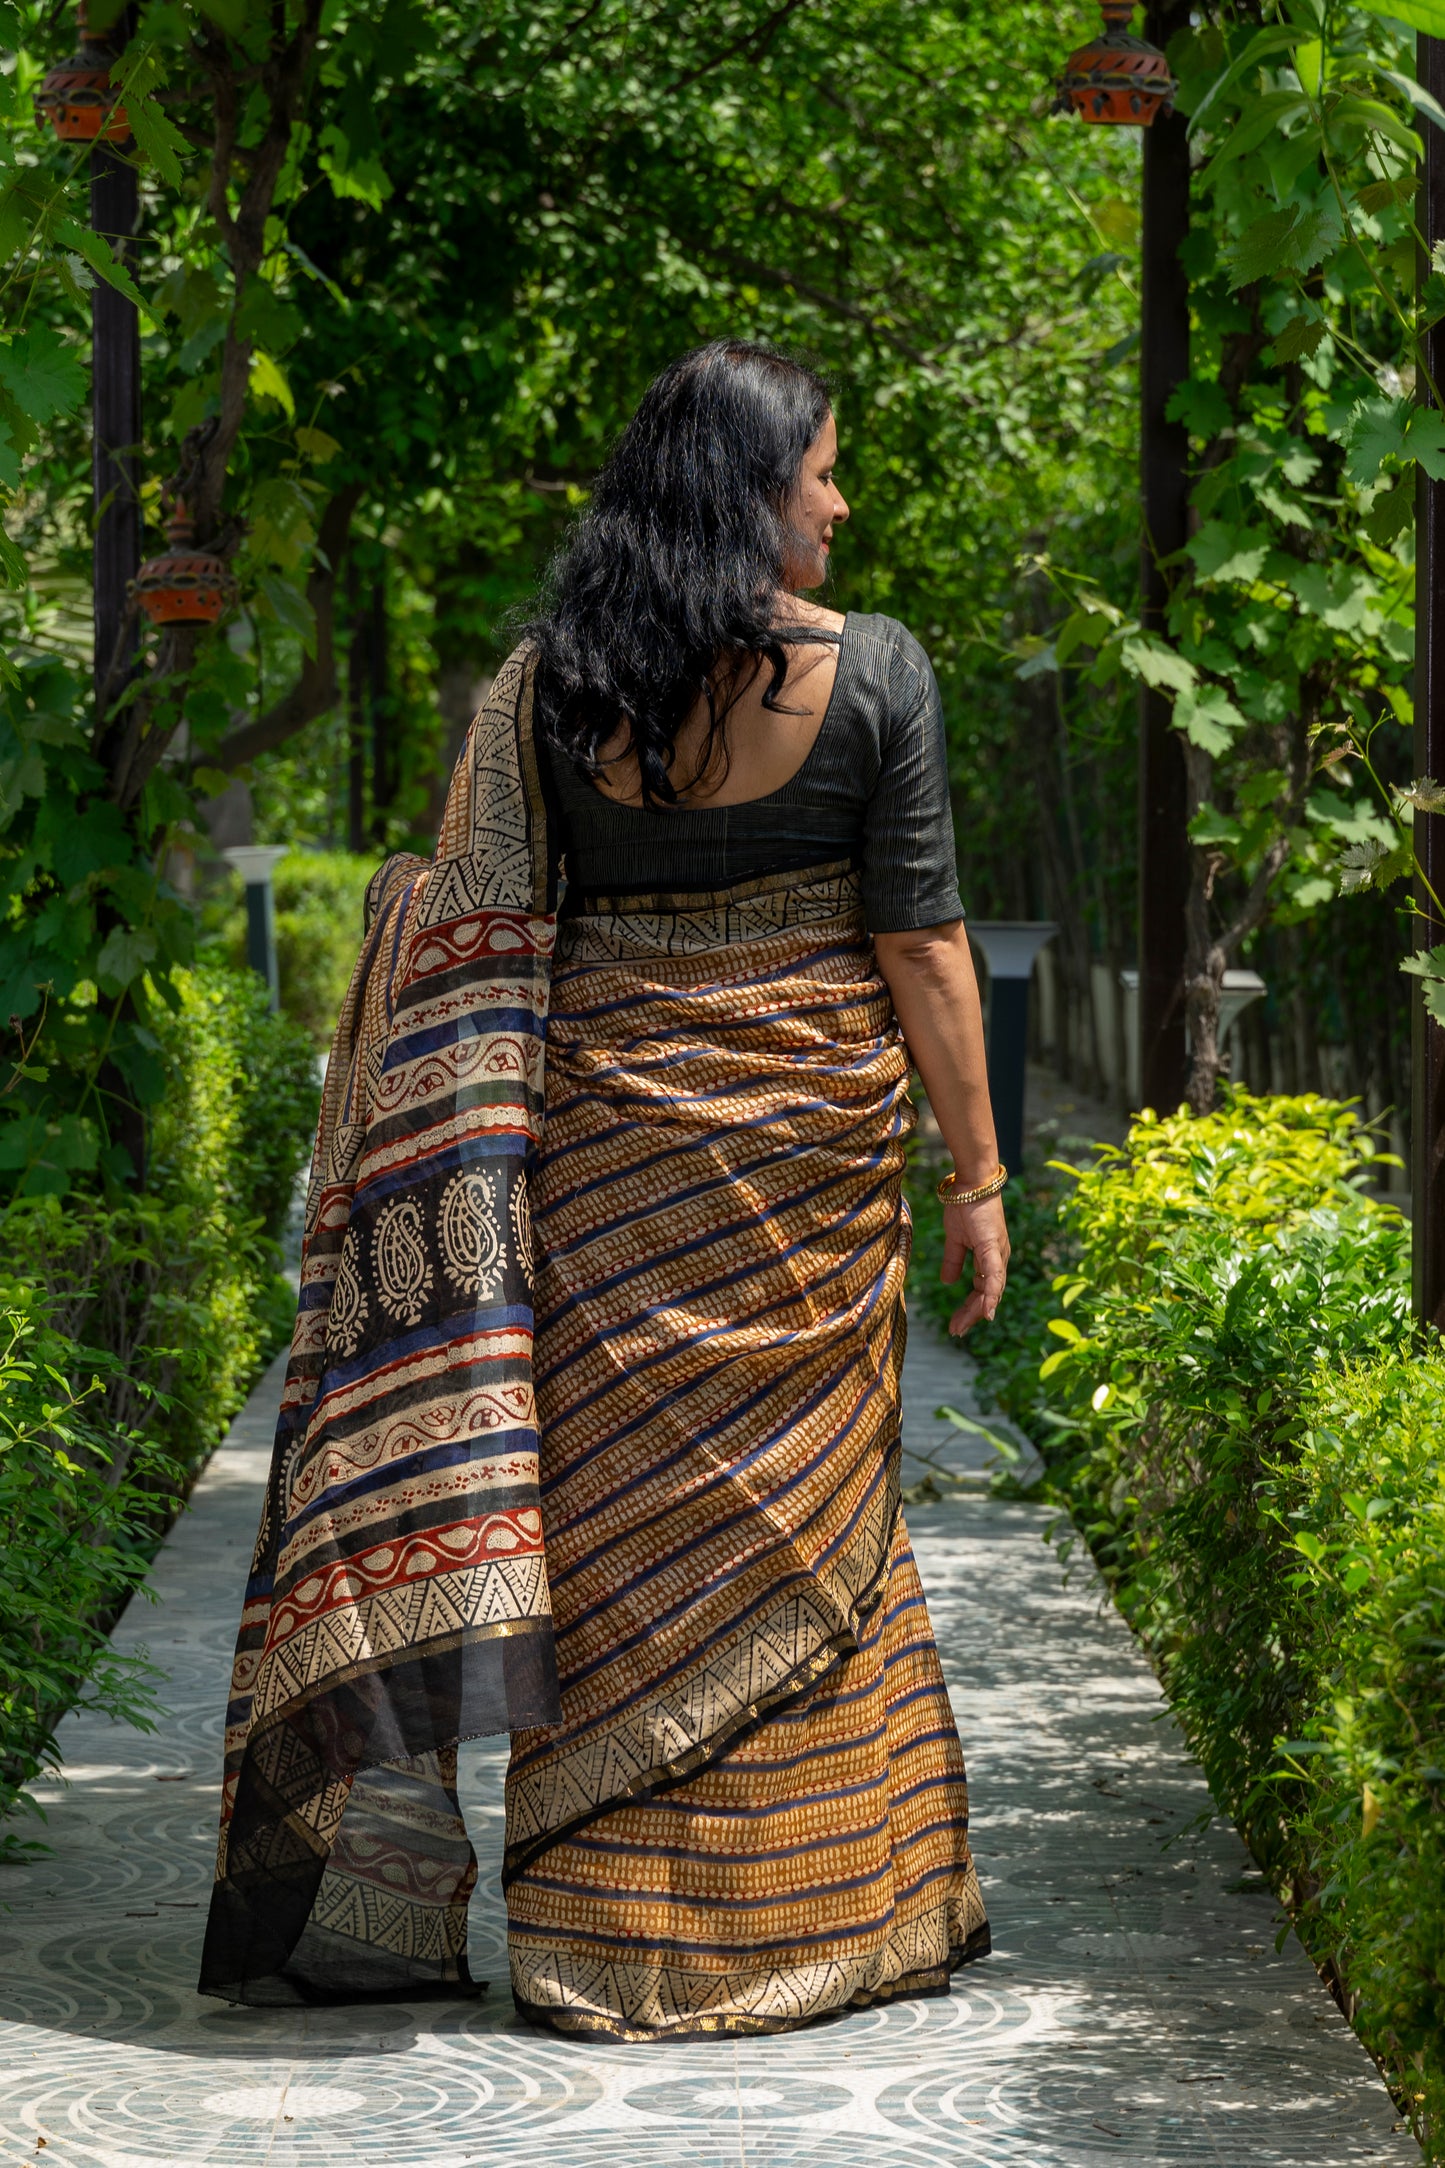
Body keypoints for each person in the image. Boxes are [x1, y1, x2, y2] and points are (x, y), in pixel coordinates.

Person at [199, 340, 1008, 2041]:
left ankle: (602, 1938)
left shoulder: (548, 689)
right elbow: (922, 943)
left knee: (619, 1538)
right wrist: (979, 1176)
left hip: (601, 1172)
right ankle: (816, 1919)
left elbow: (477, 927)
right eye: (821, 474)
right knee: (799, 1516)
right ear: (746, 494)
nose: (841, 503)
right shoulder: (875, 677)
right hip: (806, 1171)